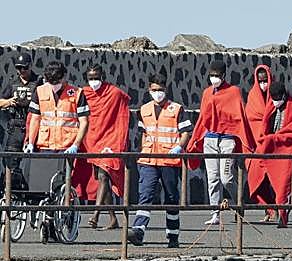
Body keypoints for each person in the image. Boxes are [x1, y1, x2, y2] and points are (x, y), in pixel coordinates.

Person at [185, 60, 255, 226]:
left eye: (217, 75)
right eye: (212, 75)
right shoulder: (207, 93)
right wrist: (197, 138)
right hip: (210, 138)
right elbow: (203, 117)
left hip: (227, 140)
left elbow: (239, 116)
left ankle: (238, 203)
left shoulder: (234, 92)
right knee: (213, 178)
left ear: (224, 75)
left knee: (226, 178)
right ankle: (215, 213)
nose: (214, 78)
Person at [127, 73, 191, 248]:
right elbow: (143, 134)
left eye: (161, 90)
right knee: (145, 195)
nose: (158, 93)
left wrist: (179, 147)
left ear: (166, 90)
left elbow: (186, 132)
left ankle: (173, 236)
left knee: (171, 198)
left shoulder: (177, 109)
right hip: (148, 159)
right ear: (149, 90)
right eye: (155, 90)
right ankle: (138, 231)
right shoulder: (144, 110)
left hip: (169, 160)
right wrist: (142, 153)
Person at [72, 64, 130, 230]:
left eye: (96, 77)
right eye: (90, 78)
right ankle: (113, 219)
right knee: (100, 178)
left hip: (109, 140)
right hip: (93, 140)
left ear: (102, 76)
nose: (93, 81)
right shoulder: (83, 93)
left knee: (104, 177)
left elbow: (124, 107)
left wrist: (119, 139)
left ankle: (96, 215)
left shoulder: (114, 92)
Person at [249, 81, 292, 228]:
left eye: (278, 97)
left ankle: (283, 215)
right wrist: (267, 140)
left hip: (288, 149)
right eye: (273, 97)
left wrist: (274, 138)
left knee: (284, 185)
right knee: (254, 175)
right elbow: (265, 127)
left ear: (284, 95)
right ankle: (270, 208)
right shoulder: (271, 105)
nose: (275, 100)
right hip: (271, 148)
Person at [26, 60, 89, 155]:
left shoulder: (77, 93)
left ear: (64, 76)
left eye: (57, 82)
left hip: (68, 146)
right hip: (45, 146)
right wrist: (30, 143)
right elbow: (35, 119)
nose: (54, 85)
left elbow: (84, 121)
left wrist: (75, 145)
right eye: (51, 82)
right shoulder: (40, 91)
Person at [0, 53, 39, 191]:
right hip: (15, 126)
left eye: (24, 68)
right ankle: (9, 193)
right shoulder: (13, 83)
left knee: (35, 163)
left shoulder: (38, 81)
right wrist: (9, 102)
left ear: (30, 66)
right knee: (10, 162)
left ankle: (33, 193)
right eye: (18, 68)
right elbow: (1, 101)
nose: (21, 71)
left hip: (34, 125)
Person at [245, 63, 277, 223]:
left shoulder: (278, 96)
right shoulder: (252, 97)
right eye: (260, 81)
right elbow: (249, 120)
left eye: (266, 80)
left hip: (273, 145)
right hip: (255, 146)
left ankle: (278, 209)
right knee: (256, 179)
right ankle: (268, 208)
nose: (263, 84)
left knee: (276, 180)